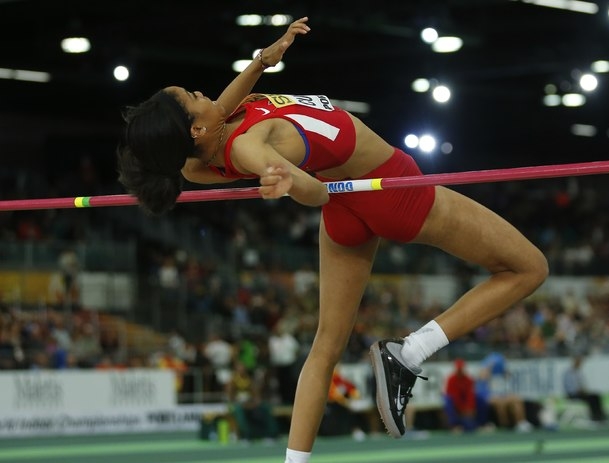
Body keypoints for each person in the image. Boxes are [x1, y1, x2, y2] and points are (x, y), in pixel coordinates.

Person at [116, 16, 548, 463]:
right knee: (528, 267)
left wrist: (265, 59)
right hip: (389, 190)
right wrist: (286, 181)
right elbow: (315, 191)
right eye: (193, 97)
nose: (203, 93)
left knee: (325, 347)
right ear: (194, 130)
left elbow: (226, 107)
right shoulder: (247, 145)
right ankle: (411, 350)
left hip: (345, 211)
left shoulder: (208, 139)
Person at [475, 352, 532, 432]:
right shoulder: (482, 376)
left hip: (501, 394)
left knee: (516, 400)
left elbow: (508, 378)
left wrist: (503, 369)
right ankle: (504, 424)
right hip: (490, 396)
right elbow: (483, 387)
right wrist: (489, 367)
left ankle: (521, 422)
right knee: (500, 404)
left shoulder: (500, 373)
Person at [562, 355, 607, 423]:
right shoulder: (568, 373)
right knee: (591, 398)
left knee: (596, 396)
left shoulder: (578, 372)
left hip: (580, 392)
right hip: (572, 394)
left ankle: (599, 415)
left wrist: (584, 390)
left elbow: (582, 384)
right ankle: (594, 417)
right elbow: (569, 387)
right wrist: (579, 391)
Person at [443, 358, 478, 433]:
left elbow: (470, 396)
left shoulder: (468, 379)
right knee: (447, 400)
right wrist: (462, 409)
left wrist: (469, 408)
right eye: (458, 369)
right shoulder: (451, 379)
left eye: (461, 369)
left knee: (470, 427)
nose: (460, 371)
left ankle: (481, 423)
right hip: (456, 407)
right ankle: (454, 425)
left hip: (465, 408)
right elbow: (453, 396)